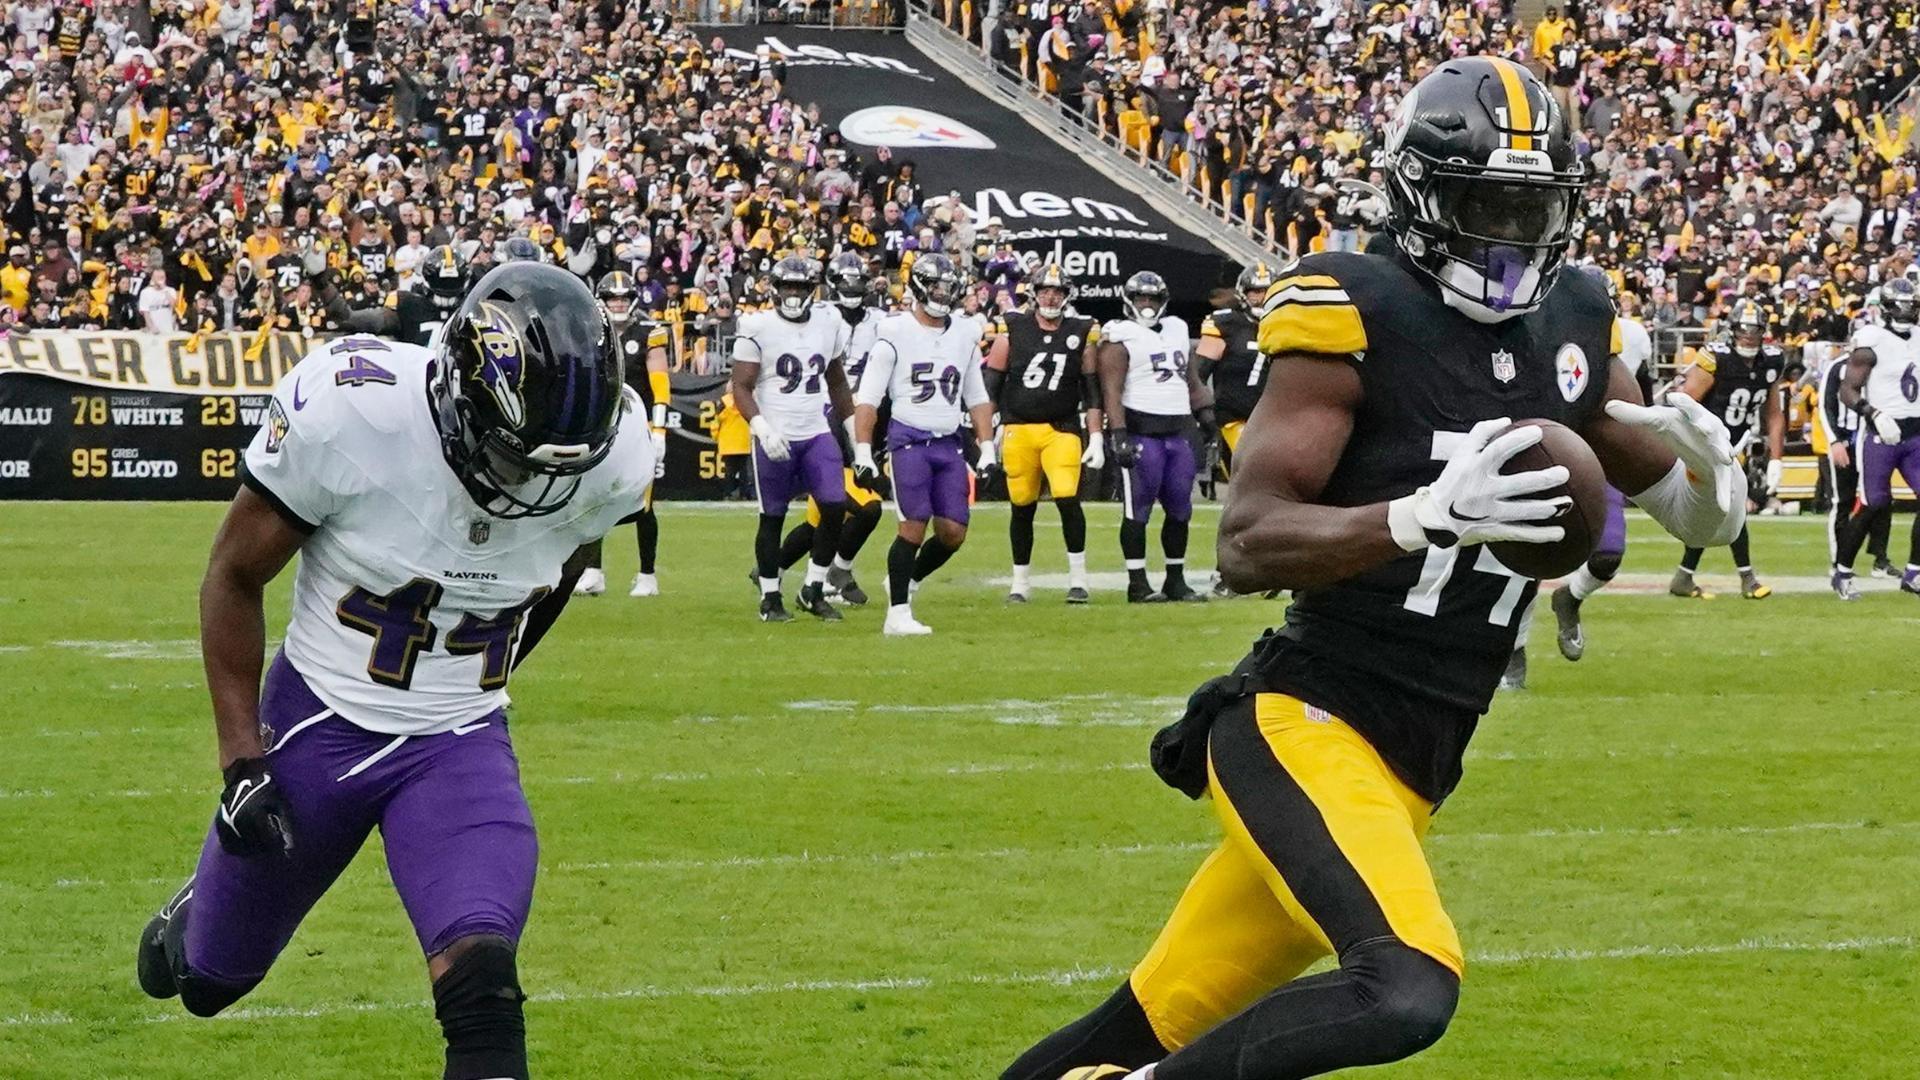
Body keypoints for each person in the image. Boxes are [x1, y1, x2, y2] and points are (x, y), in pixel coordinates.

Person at [1002, 58, 1746, 1080]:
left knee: (1152, 1020)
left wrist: (1713, 492)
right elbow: (1247, 542)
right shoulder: (1353, 306)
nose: (1509, 237)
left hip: (1415, 763)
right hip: (1307, 721)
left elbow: (1670, 498)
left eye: (1533, 212)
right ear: (1421, 195)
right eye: (1486, 205)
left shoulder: (1574, 319)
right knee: (1405, 983)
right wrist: (1422, 515)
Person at [135, 262, 654, 1080]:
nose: (531, 487)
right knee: (206, 983)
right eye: (515, 460)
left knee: (483, 991)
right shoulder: (356, 408)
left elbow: (562, 563)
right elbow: (233, 576)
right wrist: (240, 763)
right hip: (318, 724)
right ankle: (193, 921)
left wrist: (484, 668)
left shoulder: (605, 457)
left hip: (458, 741)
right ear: (458, 398)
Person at [852, 253, 998, 635]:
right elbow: (868, 397)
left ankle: (905, 582)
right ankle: (896, 614)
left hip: (948, 442)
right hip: (909, 440)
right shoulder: (894, 330)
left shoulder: (965, 332)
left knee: (953, 533)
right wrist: (863, 451)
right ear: (918, 286)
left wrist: (988, 448)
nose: (943, 293)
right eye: (936, 286)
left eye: (948, 287)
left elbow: (976, 395)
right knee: (912, 527)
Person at [729, 255, 857, 623]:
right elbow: (740, 386)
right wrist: (762, 428)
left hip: (815, 430)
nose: (792, 294)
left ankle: (812, 589)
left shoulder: (828, 321)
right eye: (787, 286)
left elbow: (836, 379)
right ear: (774, 288)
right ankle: (770, 598)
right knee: (772, 517)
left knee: (834, 507)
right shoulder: (757, 325)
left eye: (800, 288)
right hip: (777, 434)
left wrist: (853, 433)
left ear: (812, 290)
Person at [983, 262, 1103, 604]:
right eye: (1045, 291)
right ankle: (1020, 582)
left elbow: (1091, 387)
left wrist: (1095, 435)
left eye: (1057, 291)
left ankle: (1078, 579)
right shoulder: (1012, 327)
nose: (1051, 296)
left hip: (1061, 428)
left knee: (1067, 498)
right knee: (1021, 506)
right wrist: (986, 436)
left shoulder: (1082, 329)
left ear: (1066, 296)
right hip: (1018, 427)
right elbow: (991, 385)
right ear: (1034, 294)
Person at [1549, 277, 1655, 661]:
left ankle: (1570, 598)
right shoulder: (1543, 324)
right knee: (1521, 558)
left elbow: (1640, 390)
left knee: (1608, 554)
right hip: (1546, 445)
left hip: (1601, 444)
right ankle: (1514, 649)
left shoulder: (1633, 336)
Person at [776, 253, 889, 605]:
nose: (852, 289)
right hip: (827, 413)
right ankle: (831, 573)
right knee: (855, 506)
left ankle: (773, 569)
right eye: (845, 282)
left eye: (858, 283)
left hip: (866, 413)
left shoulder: (882, 321)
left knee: (822, 517)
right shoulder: (820, 317)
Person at [1101, 270, 1212, 603]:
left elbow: (1191, 382)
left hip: (1178, 430)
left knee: (1180, 508)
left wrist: (1207, 417)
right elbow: (1111, 390)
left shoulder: (1178, 329)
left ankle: (1175, 580)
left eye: (1152, 298)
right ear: (1129, 301)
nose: (1146, 304)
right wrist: (1118, 433)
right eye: (1140, 298)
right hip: (1140, 430)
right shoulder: (1120, 335)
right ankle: (1138, 583)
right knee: (1138, 510)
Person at [1667, 299, 1783, 600]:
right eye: (1744, 331)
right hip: (1706, 444)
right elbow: (1685, 404)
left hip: (1736, 445)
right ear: (1732, 331)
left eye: (1755, 331)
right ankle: (1748, 579)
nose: (1749, 337)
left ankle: (1684, 577)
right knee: (1730, 507)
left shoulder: (1771, 360)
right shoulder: (1714, 358)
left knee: (1717, 512)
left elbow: (1774, 413)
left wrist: (1778, 459)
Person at [574, 272, 673, 598]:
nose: (618, 303)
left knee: (643, 504)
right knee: (592, 499)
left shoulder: (648, 331)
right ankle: (592, 571)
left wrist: (658, 430)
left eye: (622, 297)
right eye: (612, 297)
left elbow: (660, 385)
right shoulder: (590, 331)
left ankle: (647, 575)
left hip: (638, 425)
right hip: (602, 424)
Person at [1831, 275, 1920, 598]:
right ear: (1887, 307)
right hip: (1882, 433)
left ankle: (1914, 572)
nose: (1909, 311)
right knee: (1873, 504)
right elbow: (1847, 390)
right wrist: (1873, 413)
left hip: (1916, 433)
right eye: (1903, 305)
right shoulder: (1872, 337)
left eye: (1913, 305)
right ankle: (1842, 572)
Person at [1195, 263, 1276, 597]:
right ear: (1244, 292)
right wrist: (1204, 414)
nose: (1260, 297)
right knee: (1247, 495)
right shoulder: (1225, 323)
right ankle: (1228, 571)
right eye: (1255, 290)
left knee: (1273, 498)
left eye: (1265, 290)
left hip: (1274, 421)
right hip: (1236, 421)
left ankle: (1270, 568)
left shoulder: (1285, 321)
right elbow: (1198, 374)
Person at [343, 245, 471, 347]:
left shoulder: (408, 303)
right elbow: (367, 320)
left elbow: (356, 319)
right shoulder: (408, 303)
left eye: (452, 282)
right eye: (443, 282)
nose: (447, 288)